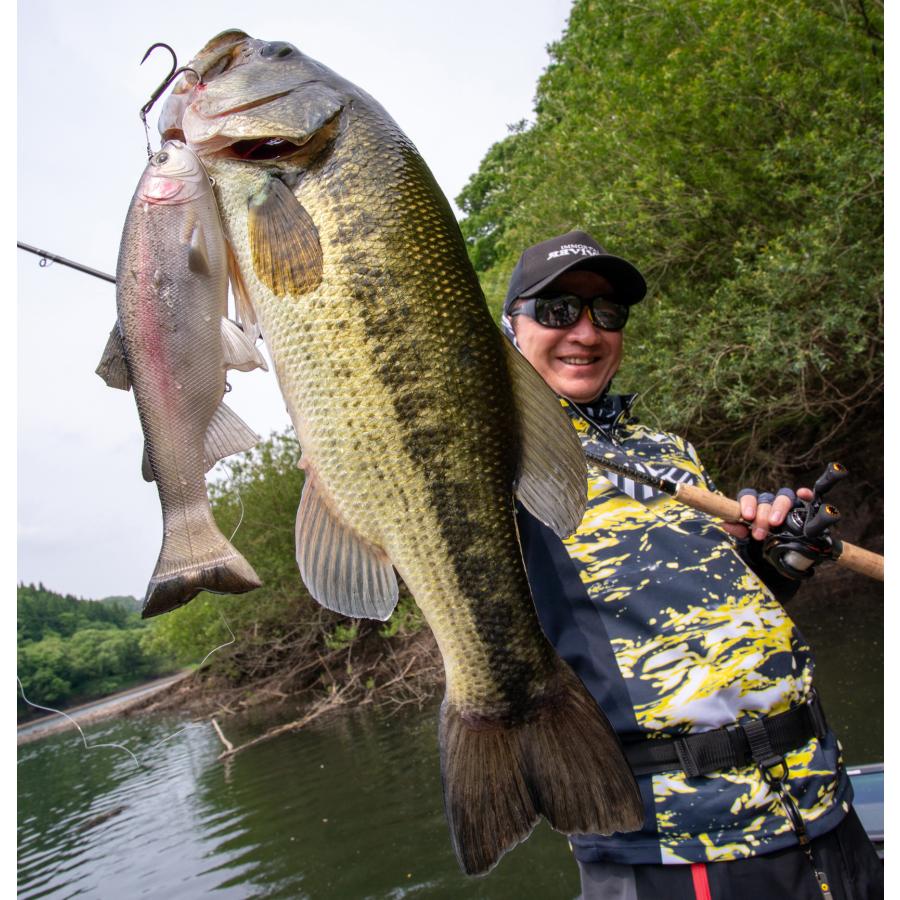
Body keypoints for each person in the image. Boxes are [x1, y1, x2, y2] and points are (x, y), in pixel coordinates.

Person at [503, 231, 882, 899]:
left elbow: (702, 611)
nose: (586, 333)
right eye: (558, 310)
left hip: (822, 808)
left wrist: (779, 561)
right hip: (678, 846)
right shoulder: (496, 456)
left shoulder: (665, 447)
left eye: (607, 313)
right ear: (512, 328)